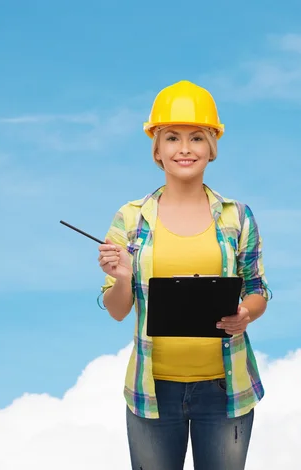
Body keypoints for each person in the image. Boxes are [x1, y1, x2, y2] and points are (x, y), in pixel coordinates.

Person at [96, 80, 272, 470]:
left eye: (197, 137)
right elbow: (117, 310)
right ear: (156, 148)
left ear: (212, 146)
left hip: (225, 390)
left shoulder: (238, 217)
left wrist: (246, 314)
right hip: (153, 390)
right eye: (172, 137)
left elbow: (258, 289)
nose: (185, 148)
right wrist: (122, 276)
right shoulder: (130, 218)